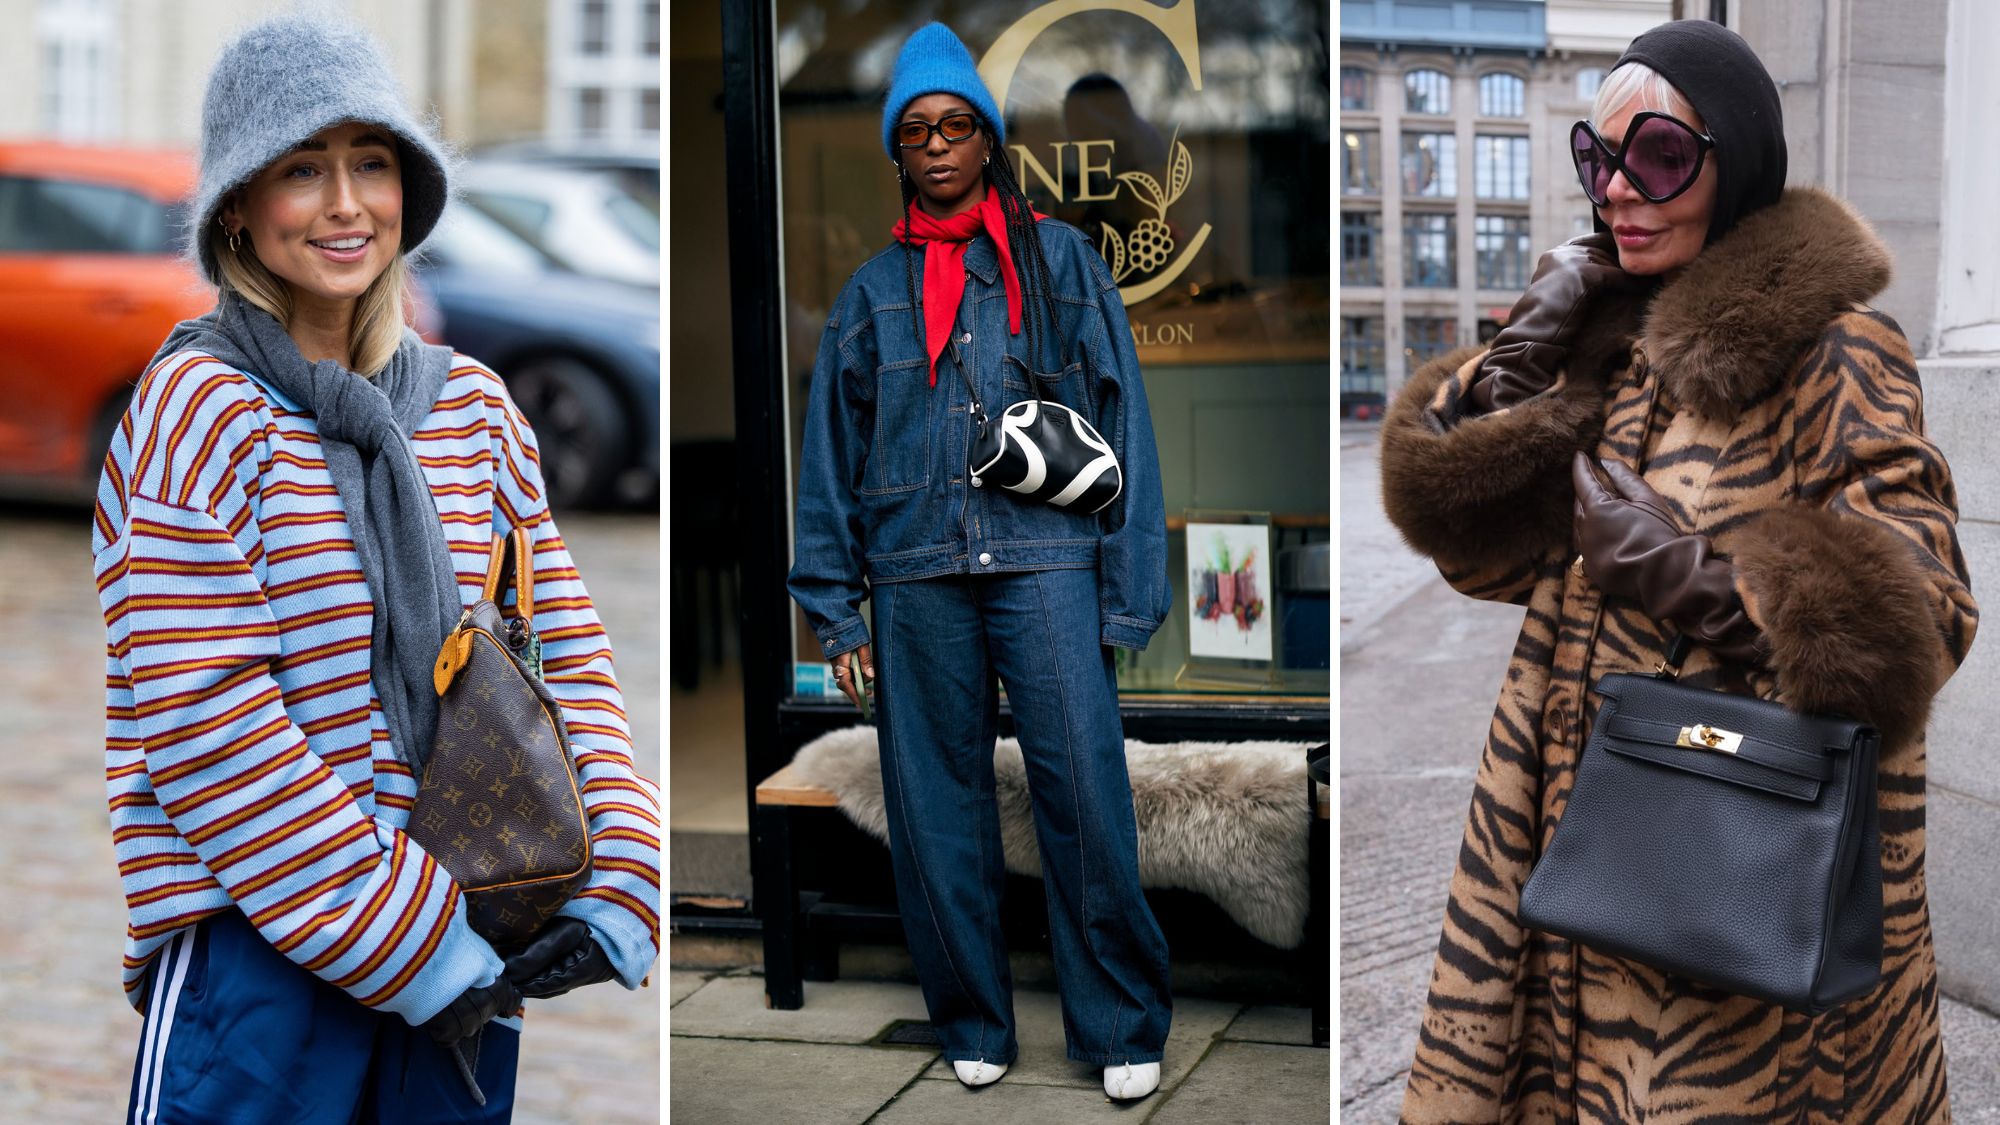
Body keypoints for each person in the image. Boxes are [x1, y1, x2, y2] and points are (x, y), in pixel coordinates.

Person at [1379, 20, 1976, 1122]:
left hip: (1735, 868)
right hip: (1574, 839)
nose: (1617, 189)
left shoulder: (1836, 347)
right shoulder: (1622, 347)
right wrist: (1527, 349)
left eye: (1656, 156)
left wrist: (1687, 577)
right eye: (1597, 158)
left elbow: (1923, 617)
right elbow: (1475, 551)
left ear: (1733, 161)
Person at [90, 14, 660, 1121]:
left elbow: (562, 659)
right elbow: (209, 725)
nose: (347, 203)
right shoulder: (198, 413)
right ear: (239, 207)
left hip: (472, 943)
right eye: (303, 168)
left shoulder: (473, 412)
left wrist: (618, 872)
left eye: (373, 163)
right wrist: (410, 943)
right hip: (263, 962)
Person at [786, 22, 1174, 1102]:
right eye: (915, 132)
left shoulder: (1060, 264)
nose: (938, 146)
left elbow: (1126, 430)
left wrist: (1128, 594)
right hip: (914, 571)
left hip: (1048, 560)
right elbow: (828, 459)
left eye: (956, 126)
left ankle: (1119, 1022)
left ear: (989, 140)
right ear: (897, 154)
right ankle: (970, 1017)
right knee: (936, 810)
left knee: (1084, 791)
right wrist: (836, 608)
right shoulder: (871, 293)